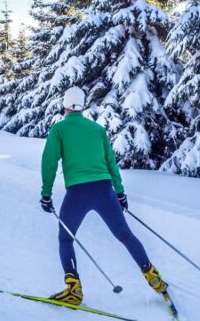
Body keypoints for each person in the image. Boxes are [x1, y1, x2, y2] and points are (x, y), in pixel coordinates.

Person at [40, 87, 167, 305]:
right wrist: (120, 193)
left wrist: (46, 194)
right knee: (125, 235)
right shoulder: (97, 129)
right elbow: (111, 163)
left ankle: (74, 290)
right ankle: (153, 277)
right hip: (104, 190)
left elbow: (49, 162)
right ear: (83, 104)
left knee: (65, 238)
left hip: (77, 192)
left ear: (66, 104)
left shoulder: (59, 129)